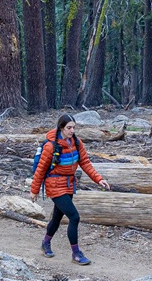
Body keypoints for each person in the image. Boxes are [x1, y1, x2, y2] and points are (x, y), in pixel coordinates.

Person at [30, 113, 110, 265]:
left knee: (57, 217)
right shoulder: (50, 146)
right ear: (61, 127)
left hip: (68, 184)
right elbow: (40, 170)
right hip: (54, 186)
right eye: (69, 128)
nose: (72, 130)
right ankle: (76, 254)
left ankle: (45, 243)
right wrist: (34, 190)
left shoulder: (76, 143)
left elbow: (85, 163)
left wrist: (99, 179)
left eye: (74, 127)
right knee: (74, 217)